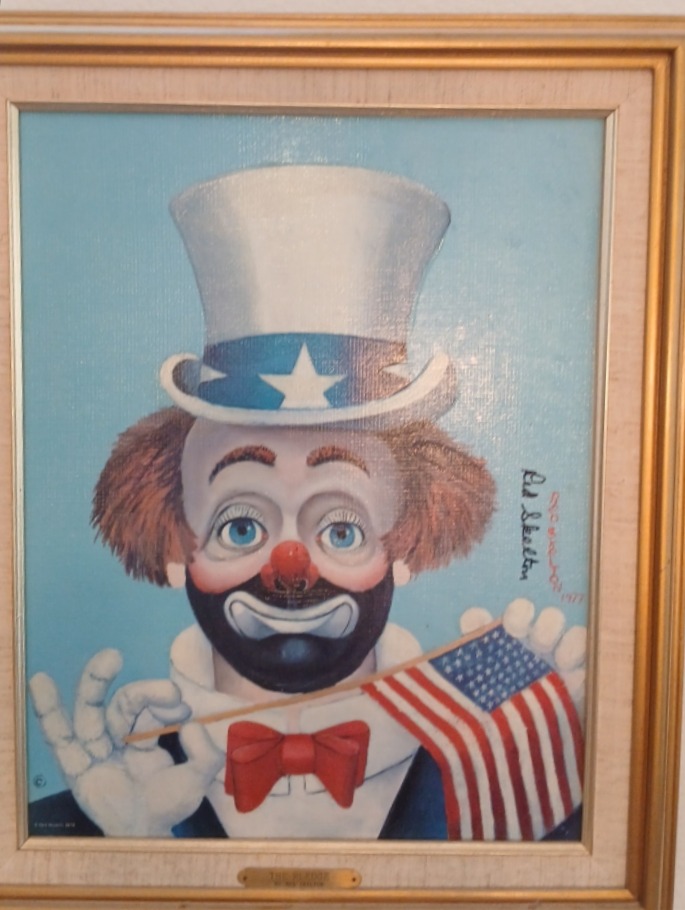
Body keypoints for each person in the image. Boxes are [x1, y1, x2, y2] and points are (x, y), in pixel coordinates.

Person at [29, 166, 584, 840]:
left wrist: (565, 776)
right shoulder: (91, 815)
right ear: (173, 541)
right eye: (240, 525)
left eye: (341, 529)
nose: (289, 569)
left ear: (407, 542)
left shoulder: (507, 782)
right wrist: (129, 853)